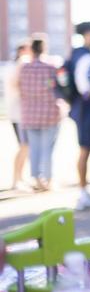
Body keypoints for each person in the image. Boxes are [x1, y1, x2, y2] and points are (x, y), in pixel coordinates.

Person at [18, 35, 60, 191]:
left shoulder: (24, 68)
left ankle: (36, 179)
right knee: (47, 149)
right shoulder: (50, 68)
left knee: (34, 148)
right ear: (44, 48)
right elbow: (55, 89)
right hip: (48, 113)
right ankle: (47, 179)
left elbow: (20, 88)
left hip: (29, 114)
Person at [68, 22, 90, 210]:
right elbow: (85, 85)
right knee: (85, 149)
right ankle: (82, 193)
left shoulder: (80, 55)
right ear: (87, 35)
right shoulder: (84, 57)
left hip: (82, 107)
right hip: (86, 107)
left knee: (86, 149)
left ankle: (84, 191)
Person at [4, 42, 31, 191]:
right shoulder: (18, 66)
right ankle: (16, 180)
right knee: (24, 147)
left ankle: (19, 178)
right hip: (19, 114)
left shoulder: (13, 66)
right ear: (22, 51)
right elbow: (16, 86)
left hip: (18, 113)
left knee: (25, 147)